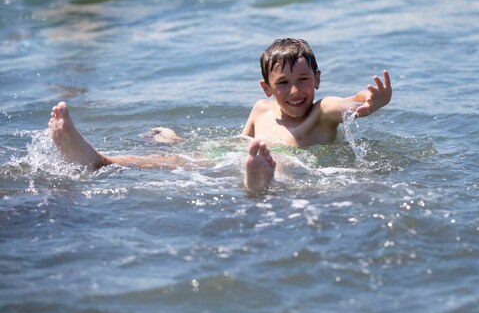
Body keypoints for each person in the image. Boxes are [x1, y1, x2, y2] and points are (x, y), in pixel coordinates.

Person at [48, 38, 392, 192]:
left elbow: (353, 103)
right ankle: (96, 159)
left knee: (279, 165)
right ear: (266, 87)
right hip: (237, 158)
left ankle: (258, 180)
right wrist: (181, 143)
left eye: (303, 80)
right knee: (180, 160)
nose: (295, 91)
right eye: (283, 83)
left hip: (290, 165)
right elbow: (235, 143)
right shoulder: (260, 110)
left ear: (317, 79)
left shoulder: (322, 111)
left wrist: (372, 101)